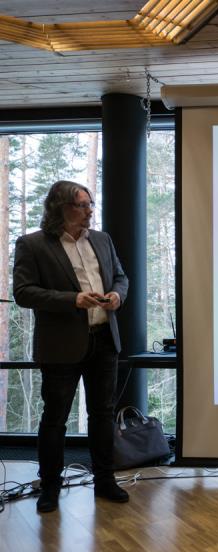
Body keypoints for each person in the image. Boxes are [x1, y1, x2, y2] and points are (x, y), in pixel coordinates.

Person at [13, 180, 130, 513]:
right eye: (82, 205)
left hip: (104, 338)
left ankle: (104, 480)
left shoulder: (102, 240)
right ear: (60, 207)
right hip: (60, 344)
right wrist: (73, 299)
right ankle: (50, 486)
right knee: (55, 419)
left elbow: (120, 277)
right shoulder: (33, 245)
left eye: (90, 203)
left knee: (103, 414)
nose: (90, 210)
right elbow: (24, 292)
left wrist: (117, 295)